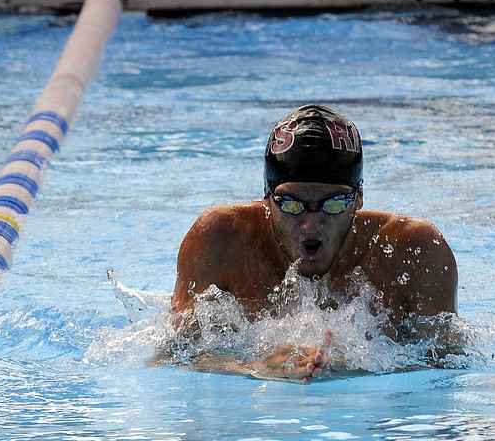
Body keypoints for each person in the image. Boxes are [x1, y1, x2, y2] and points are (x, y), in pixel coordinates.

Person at [168, 104, 460, 383]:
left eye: (333, 204)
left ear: (358, 197)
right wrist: (256, 367)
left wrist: (357, 365)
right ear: (267, 198)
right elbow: (171, 355)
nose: (311, 224)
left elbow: (451, 362)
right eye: (291, 204)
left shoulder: (415, 249)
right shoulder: (220, 239)